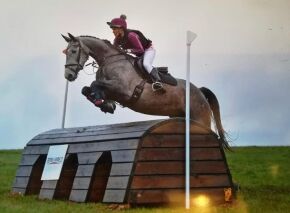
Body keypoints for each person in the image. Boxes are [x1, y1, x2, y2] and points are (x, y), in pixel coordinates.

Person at [107, 14, 163, 91]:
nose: (113, 31)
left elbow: (141, 50)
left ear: (121, 29)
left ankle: (158, 82)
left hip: (148, 50)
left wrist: (127, 50)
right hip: (137, 54)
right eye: (112, 29)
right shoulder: (117, 39)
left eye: (114, 29)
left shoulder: (131, 35)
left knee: (146, 64)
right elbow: (114, 50)